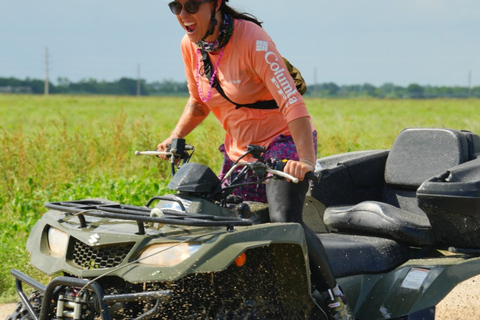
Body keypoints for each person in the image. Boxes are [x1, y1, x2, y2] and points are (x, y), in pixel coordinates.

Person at [157, 1, 354, 319]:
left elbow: (292, 102)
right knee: (226, 223)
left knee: (283, 220)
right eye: (175, 6)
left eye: (192, 5)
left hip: (283, 143)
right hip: (241, 152)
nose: (183, 14)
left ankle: (335, 301)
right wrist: (175, 137)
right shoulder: (190, 46)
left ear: (215, 4)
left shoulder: (253, 40)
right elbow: (198, 101)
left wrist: (305, 160)